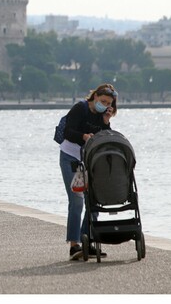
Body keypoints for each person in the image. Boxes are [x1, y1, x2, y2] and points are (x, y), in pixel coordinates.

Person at [59, 83, 117, 261]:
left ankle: (87, 240)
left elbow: (105, 138)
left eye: (109, 103)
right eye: (103, 101)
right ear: (95, 97)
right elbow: (68, 132)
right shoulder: (80, 108)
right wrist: (83, 136)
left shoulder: (103, 116)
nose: (105, 105)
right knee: (76, 201)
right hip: (71, 158)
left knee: (93, 201)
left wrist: (106, 122)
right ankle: (74, 245)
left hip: (90, 160)